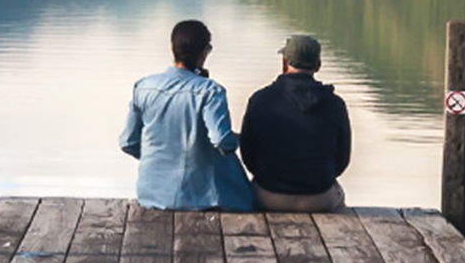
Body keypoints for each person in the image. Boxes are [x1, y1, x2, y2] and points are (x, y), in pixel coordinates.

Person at [120, 20, 255, 212]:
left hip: (152, 196)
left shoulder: (143, 87)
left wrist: (162, 157)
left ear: (172, 49)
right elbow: (222, 142)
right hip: (202, 199)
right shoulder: (210, 91)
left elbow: (128, 142)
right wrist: (241, 139)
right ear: (205, 52)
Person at [238, 34, 351, 213]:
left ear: (284, 63)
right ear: (318, 65)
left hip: (269, 196)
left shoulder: (260, 99)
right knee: (339, 195)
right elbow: (342, 159)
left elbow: (248, 153)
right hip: (320, 198)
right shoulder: (335, 104)